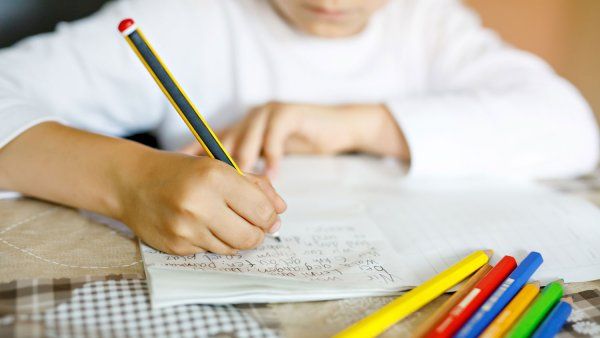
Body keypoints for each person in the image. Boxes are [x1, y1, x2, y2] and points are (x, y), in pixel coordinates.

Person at [0, 0, 597, 255]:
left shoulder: (428, 21)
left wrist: (359, 125)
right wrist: (129, 180)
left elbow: (570, 127)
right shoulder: (186, 17)